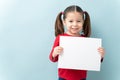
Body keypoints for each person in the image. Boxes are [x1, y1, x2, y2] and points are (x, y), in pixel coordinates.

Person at [49, 5, 105, 80]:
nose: (75, 24)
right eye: (71, 21)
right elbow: (52, 58)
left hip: (81, 78)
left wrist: (100, 55)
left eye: (78, 21)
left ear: (83, 22)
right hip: (64, 77)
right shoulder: (60, 38)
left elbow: (91, 60)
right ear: (64, 22)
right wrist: (55, 53)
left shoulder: (85, 40)